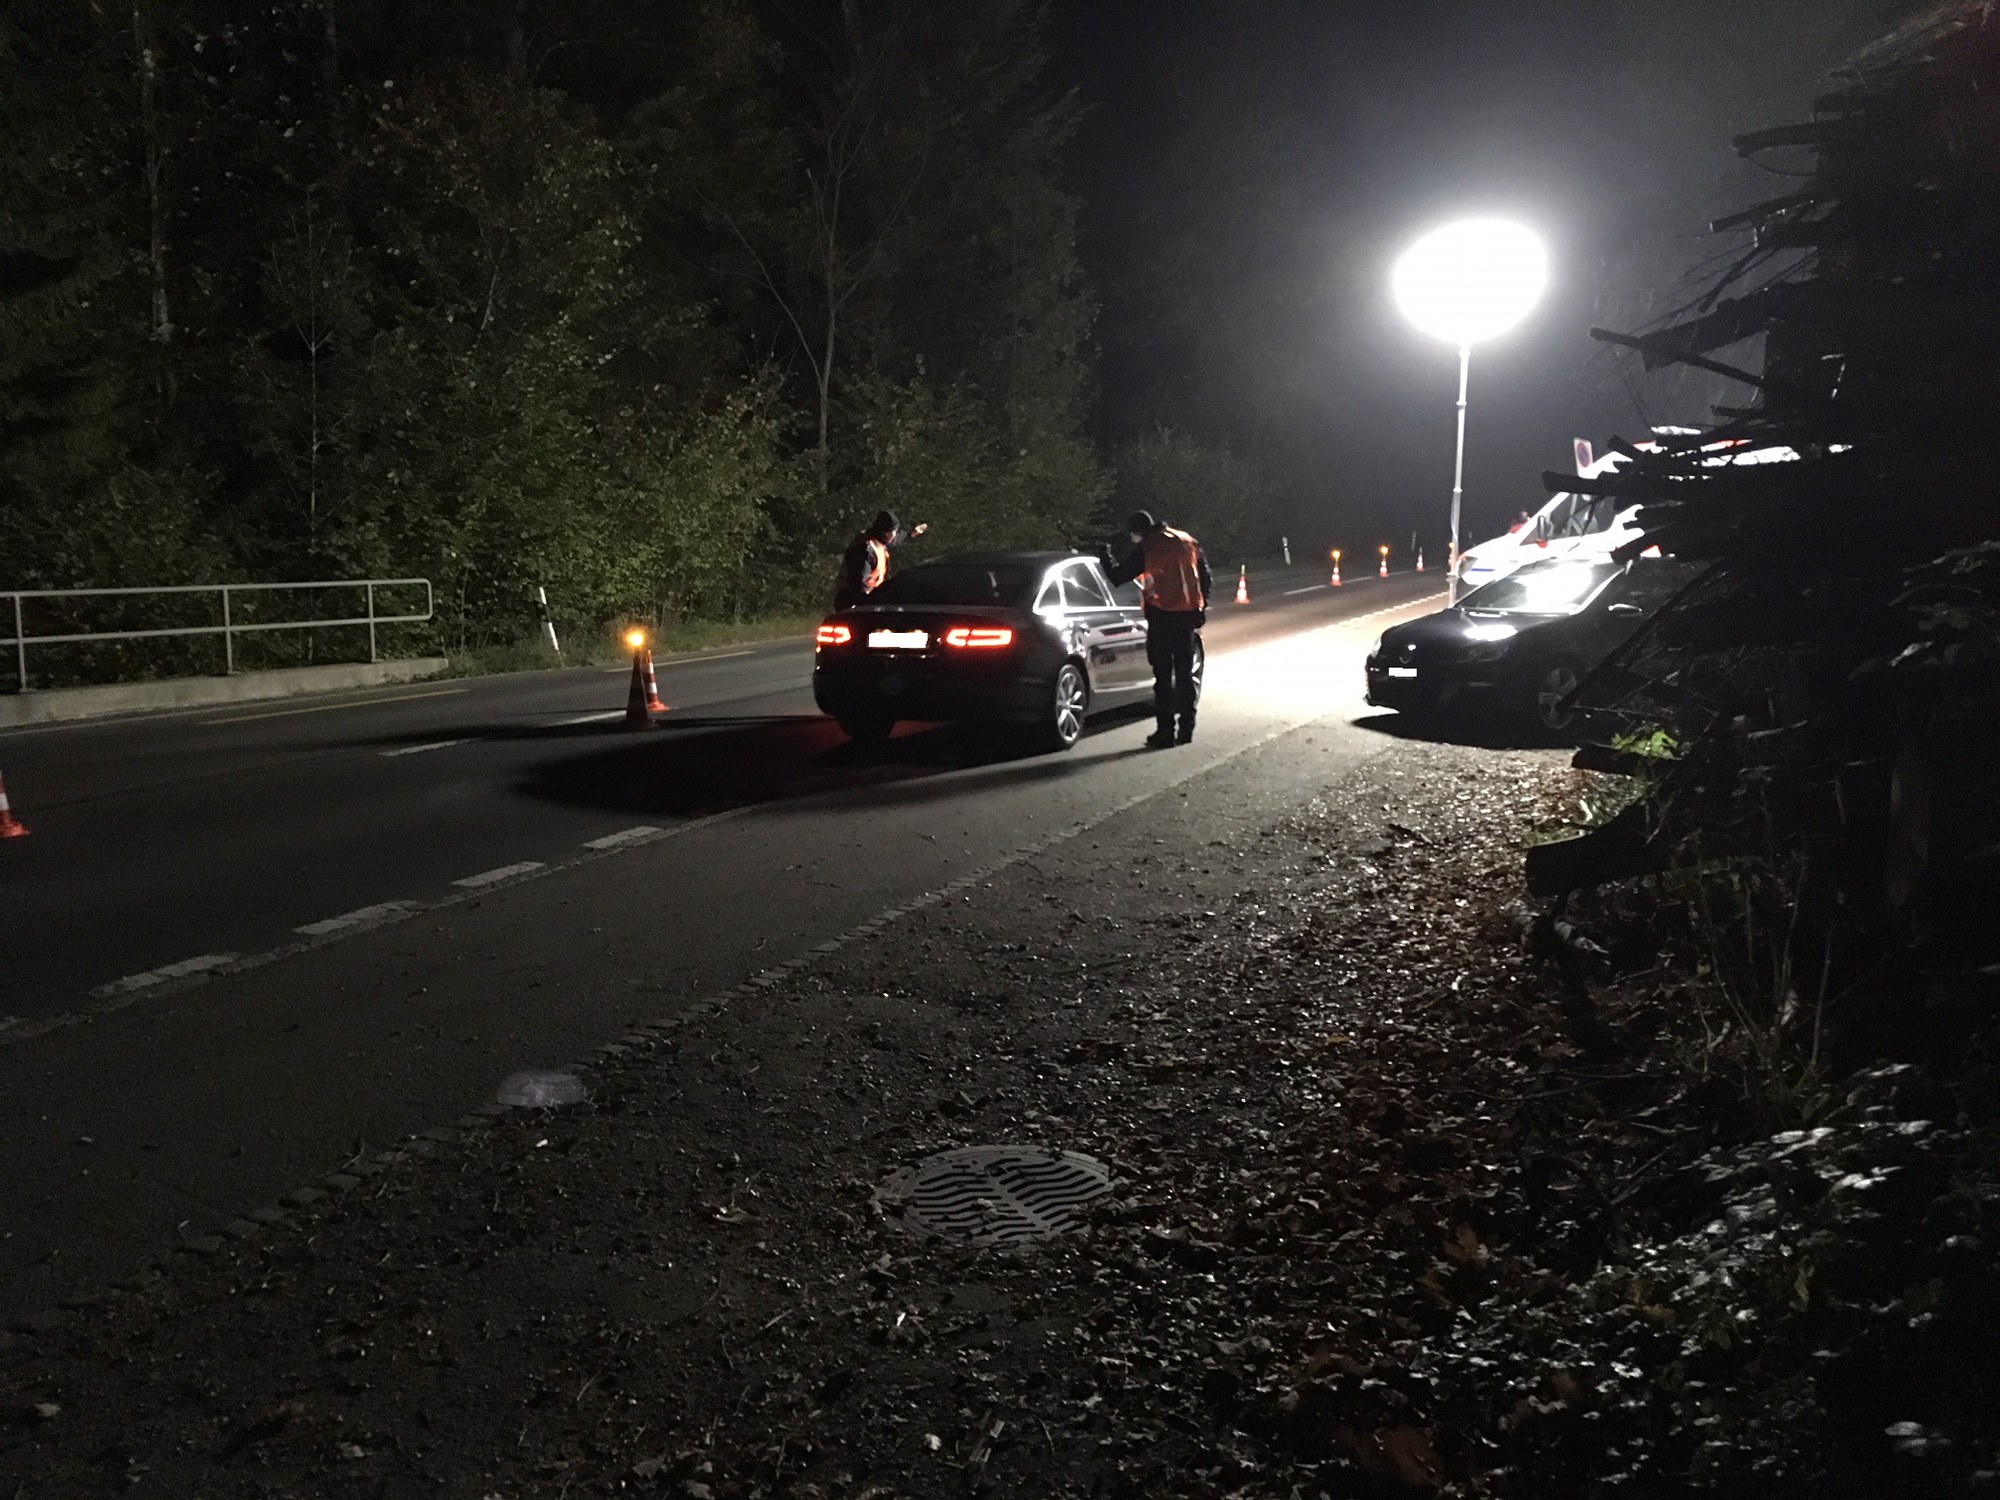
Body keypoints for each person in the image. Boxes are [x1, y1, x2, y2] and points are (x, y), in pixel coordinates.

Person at [1105, 510, 1211, 748]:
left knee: (1163, 677)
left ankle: (1165, 732)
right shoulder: (1186, 540)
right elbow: (1205, 576)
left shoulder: (1149, 546)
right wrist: (1201, 608)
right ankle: (1187, 728)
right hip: (1187, 616)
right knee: (1184, 675)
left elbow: (1119, 576)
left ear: (1139, 531)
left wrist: (1105, 556)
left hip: (1161, 616)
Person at [833, 511, 927, 610]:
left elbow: (897, 538)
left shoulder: (880, 540)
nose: (895, 534)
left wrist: (912, 533)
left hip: (867, 600)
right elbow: (858, 582)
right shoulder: (865, 549)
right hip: (852, 602)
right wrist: (865, 604)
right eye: (894, 531)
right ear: (885, 532)